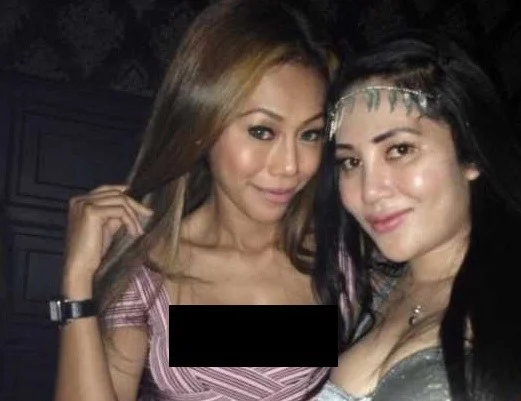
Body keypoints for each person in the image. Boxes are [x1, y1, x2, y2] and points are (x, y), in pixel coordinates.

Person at [52, 1, 338, 400]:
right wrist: (76, 281)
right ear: (202, 127)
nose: (291, 166)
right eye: (262, 131)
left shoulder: (338, 258)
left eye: (310, 134)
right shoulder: (151, 270)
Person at [311, 30, 521, 401]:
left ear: (471, 156)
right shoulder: (356, 286)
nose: (370, 190)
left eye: (400, 150)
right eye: (350, 162)